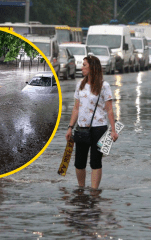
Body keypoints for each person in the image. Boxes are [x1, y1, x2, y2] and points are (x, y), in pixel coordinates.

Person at [65, 55, 118, 189]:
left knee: (96, 162)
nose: (81, 67)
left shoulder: (104, 86)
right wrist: (70, 127)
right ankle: (81, 189)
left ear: (92, 68)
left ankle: (94, 192)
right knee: (79, 162)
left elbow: (109, 109)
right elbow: (76, 108)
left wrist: (113, 130)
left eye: (84, 65)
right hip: (82, 128)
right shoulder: (80, 85)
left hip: (99, 129)